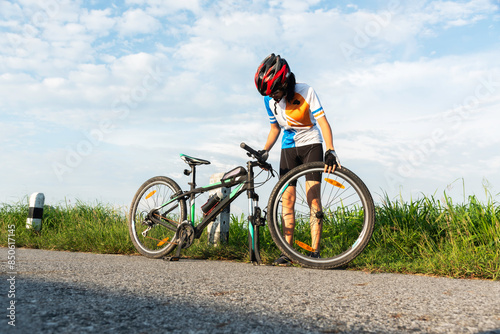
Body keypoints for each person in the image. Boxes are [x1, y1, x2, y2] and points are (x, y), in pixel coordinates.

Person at [254, 53, 341, 266]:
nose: (273, 97)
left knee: (313, 199)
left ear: (285, 83)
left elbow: (323, 122)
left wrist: (330, 150)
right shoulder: (268, 99)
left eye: (275, 92)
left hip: (311, 144)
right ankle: (287, 252)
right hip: (288, 147)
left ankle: (314, 252)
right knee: (288, 200)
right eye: (268, 94)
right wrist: (265, 150)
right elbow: (275, 128)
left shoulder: (306, 91)